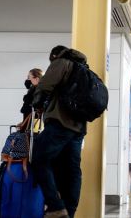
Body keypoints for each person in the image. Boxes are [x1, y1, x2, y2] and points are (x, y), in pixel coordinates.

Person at [32, 46, 87, 218]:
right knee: (71, 169)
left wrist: (37, 103)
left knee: (40, 159)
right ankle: (68, 212)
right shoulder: (84, 68)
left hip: (60, 122)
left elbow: (45, 85)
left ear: (54, 56)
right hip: (79, 127)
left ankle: (56, 207)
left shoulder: (61, 63)